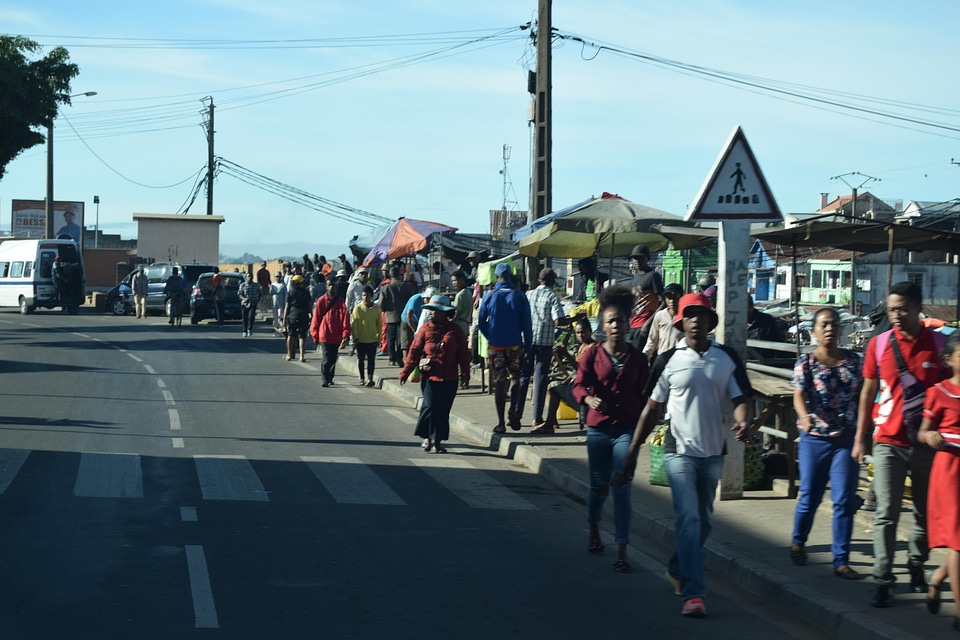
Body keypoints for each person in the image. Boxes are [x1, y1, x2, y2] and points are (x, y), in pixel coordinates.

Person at [625, 292, 754, 618]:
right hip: (678, 451)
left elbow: (741, 398)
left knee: (704, 523)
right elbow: (652, 408)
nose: (696, 320)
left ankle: (677, 568)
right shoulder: (667, 360)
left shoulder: (726, 358)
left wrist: (743, 421)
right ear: (681, 322)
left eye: (702, 314)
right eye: (690, 315)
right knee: (689, 518)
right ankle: (694, 594)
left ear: (711, 321)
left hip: (713, 454)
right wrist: (632, 450)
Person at [853, 281, 947, 608]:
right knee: (886, 513)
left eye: (902, 309)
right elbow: (867, 393)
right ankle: (883, 579)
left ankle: (917, 563)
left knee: (924, 512)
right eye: (892, 308)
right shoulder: (878, 345)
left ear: (919, 308)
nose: (896, 315)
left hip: (927, 444)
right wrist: (859, 438)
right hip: (887, 442)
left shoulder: (938, 343)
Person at [572, 285, 649, 574]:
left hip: (626, 430)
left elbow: (644, 396)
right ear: (603, 326)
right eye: (611, 321)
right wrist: (589, 398)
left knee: (622, 487)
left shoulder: (638, 359)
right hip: (599, 430)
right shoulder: (592, 354)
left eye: (621, 320)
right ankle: (594, 530)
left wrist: (643, 432)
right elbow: (578, 384)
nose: (617, 325)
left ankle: (622, 550)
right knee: (599, 486)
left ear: (629, 322)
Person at [789, 307, 863, 580]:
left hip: (845, 438)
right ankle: (798, 541)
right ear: (815, 331)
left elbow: (864, 396)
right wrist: (804, 415)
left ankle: (841, 560)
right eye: (824, 324)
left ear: (841, 329)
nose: (829, 329)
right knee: (810, 496)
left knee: (843, 499)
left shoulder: (855, 362)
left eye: (834, 324)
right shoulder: (806, 362)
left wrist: (863, 434)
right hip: (815, 438)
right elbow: (798, 394)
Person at [918, 332, 960, 633]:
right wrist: (929, 436)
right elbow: (923, 431)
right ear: (949, 359)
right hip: (950, 471)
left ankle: (936, 577)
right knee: (958, 544)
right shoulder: (939, 392)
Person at [399, 295, 471, 454]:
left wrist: (465, 374)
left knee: (443, 410)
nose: (432, 313)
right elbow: (414, 352)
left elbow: (463, 354)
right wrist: (405, 372)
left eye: (436, 311)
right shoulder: (424, 329)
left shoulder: (455, 331)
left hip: (450, 378)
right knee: (430, 406)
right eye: (430, 310)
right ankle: (427, 437)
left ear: (444, 313)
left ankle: (437, 441)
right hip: (430, 377)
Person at [477, 262, 532, 433]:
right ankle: (513, 410)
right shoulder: (520, 296)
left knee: (499, 381)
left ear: (496, 277)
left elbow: (481, 323)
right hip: (515, 345)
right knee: (515, 378)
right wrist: (528, 346)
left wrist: (491, 336)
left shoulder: (488, 296)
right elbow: (527, 325)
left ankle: (500, 423)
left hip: (496, 346)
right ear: (510, 276)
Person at [523, 268, 573, 432]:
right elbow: (558, 321)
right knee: (540, 379)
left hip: (528, 341)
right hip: (544, 343)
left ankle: (515, 414)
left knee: (524, 376)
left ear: (539, 280)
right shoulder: (552, 296)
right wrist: (575, 318)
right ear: (552, 282)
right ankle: (536, 418)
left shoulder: (529, 294)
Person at [533, 316, 594, 435]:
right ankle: (552, 421)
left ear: (590, 331)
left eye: (583, 332)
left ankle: (549, 424)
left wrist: (565, 353)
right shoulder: (583, 346)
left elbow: (581, 369)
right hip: (578, 383)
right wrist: (566, 380)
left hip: (586, 390)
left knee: (555, 390)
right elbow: (577, 371)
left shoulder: (592, 348)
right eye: (578, 332)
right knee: (554, 386)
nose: (581, 335)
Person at [310, 278, 351, 387]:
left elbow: (345, 318)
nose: (331, 287)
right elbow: (316, 318)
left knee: (333, 358)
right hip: (325, 334)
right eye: (329, 285)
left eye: (333, 285)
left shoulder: (340, 301)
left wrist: (345, 334)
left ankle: (330, 378)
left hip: (336, 335)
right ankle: (324, 378)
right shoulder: (321, 301)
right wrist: (315, 334)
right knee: (326, 358)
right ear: (326, 287)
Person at [626, 244, 664, 350]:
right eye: (634, 258)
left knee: (640, 358)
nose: (637, 261)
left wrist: (649, 323)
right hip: (633, 324)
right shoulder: (635, 279)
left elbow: (663, 301)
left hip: (644, 324)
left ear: (647, 259)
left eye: (640, 257)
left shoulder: (653, 276)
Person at [379, 265, 414, 367]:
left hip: (390, 316)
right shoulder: (406, 286)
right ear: (399, 274)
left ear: (390, 274)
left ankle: (391, 359)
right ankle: (399, 357)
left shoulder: (386, 287)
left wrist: (384, 310)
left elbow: (381, 303)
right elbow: (410, 301)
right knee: (401, 339)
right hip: (403, 317)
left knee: (390, 338)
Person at [642, 283, 684, 360]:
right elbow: (652, 341)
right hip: (662, 359)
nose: (672, 301)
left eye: (675, 297)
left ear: (680, 297)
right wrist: (644, 357)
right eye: (669, 298)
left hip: (679, 359)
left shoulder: (684, 317)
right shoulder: (660, 316)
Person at [351, 284, 382, 387]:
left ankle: (370, 378)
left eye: (367, 295)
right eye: (363, 295)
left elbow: (379, 324)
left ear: (372, 296)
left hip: (372, 339)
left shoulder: (377, 309)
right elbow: (354, 323)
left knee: (371, 361)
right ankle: (361, 378)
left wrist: (379, 339)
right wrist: (354, 337)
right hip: (360, 339)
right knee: (360, 360)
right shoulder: (357, 308)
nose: (365, 298)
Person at [282, 275, 311, 362]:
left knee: (291, 335)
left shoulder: (290, 292)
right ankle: (301, 356)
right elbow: (309, 305)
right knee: (302, 336)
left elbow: (287, 306)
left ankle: (289, 355)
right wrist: (311, 316)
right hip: (303, 315)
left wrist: (284, 319)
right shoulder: (306, 292)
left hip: (292, 316)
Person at [401, 286, 432, 363]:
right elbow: (409, 316)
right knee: (407, 342)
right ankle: (406, 360)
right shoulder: (415, 299)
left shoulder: (429, 304)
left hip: (418, 322)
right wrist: (415, 331)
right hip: (407, 321)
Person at [238, 272, 260, 337]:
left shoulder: (256, 285)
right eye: (248, 276)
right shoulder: (243, 285)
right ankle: (244, 330)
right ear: (246, 277)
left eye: (250, 276)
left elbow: (260, 293)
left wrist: (257, 301)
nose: (249, 277)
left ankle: (249, 329)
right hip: (244, 304)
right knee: (244, 318)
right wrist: (244, 299)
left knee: (251, 317)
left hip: (253, 303)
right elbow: (239, 294)